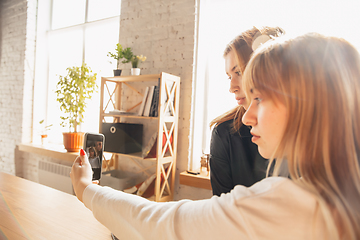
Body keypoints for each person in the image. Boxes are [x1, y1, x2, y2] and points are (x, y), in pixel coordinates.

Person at [71, 33, 360, 239]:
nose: (247, 116)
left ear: (303, 102)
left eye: (258, 97)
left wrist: (86, 189)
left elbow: (162, 227)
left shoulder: (288, 204)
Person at [209, 26, 285, 196]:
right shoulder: (224, 133)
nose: (232, 87)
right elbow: (222, 209)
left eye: (239, 72)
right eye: (229, 77)